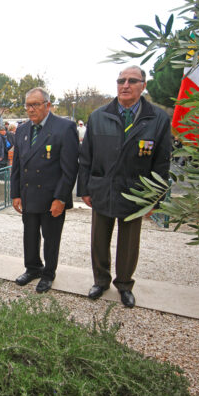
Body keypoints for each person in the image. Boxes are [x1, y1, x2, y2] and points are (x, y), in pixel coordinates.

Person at [77, 65, 172, 308]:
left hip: (136, 194)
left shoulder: (158, 119)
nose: (125, 85)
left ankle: (125, 285)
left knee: (129, 244)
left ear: (143, 85)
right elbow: (86, 157)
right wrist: (84, 189)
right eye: (121, 81)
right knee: (99, 240)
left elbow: (161, 163)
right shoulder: (99, 116)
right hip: (103, 190)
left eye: (132, 80)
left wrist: (155, 199)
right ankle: (100, 281)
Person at [11, 88, 79, 293]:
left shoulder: (64, 128)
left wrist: (61, 198)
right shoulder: (22, 130)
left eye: (35, 105)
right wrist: (15, 193)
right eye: (28, 105)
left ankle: (48, 273)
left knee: (51, 238)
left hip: (52, 197)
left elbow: (69, 169)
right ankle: (32, 268)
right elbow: (17, 166)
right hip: (29, 195)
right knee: (29, 235)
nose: (31, 109)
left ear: (48, 105)